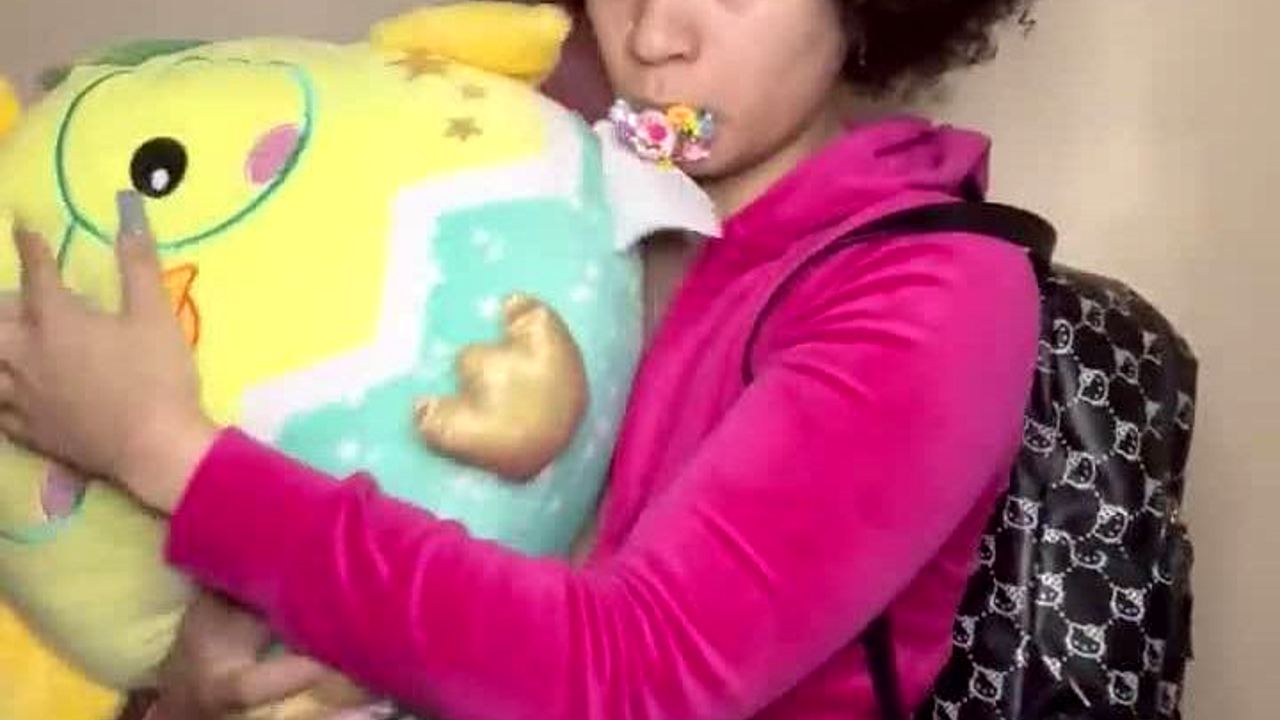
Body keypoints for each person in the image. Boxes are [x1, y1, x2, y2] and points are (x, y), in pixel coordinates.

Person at [0, 0, 1044, 718]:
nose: (655, 38)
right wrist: (186, 698)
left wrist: (162, 451)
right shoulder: (541, 178)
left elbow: (636, 679)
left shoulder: (934, 290)